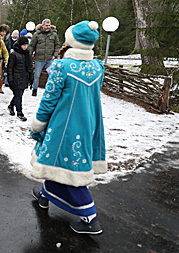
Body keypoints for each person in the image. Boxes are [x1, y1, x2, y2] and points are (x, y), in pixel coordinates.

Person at [30, 20, 106, 235]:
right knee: (55, 160)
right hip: (88, 124)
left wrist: (38, 123)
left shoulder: (62, 67)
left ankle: (90, 218)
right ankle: (45, 196)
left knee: (72, 168)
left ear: (72, 40)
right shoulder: (98, 66)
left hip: (64, 126)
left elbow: (49, 99)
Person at [28, 19, 60, 97]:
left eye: (49, 25)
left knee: (52, 75)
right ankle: (34, 89)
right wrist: (29, 55)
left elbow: (57, 45)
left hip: (50, 58)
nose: (48, 27)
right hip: (39, 58)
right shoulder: (37, 34)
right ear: (43, 25)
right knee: (37, 75)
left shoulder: (54, 34)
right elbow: (32, 46)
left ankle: (50, 90)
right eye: (46, 25)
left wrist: (55, 55)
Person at [7, 36, 32, 121]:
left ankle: (11, 106)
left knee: (18, 95)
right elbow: (10, 67)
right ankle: (19, 112)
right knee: (19, 96)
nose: (25, 47)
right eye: (24, 45)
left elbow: (30, 67)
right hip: (16, 78)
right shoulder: (14, 54)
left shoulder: (27, 53)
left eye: (26, 45)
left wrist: (31, 78)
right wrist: (10, 79)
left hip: (24, 78)